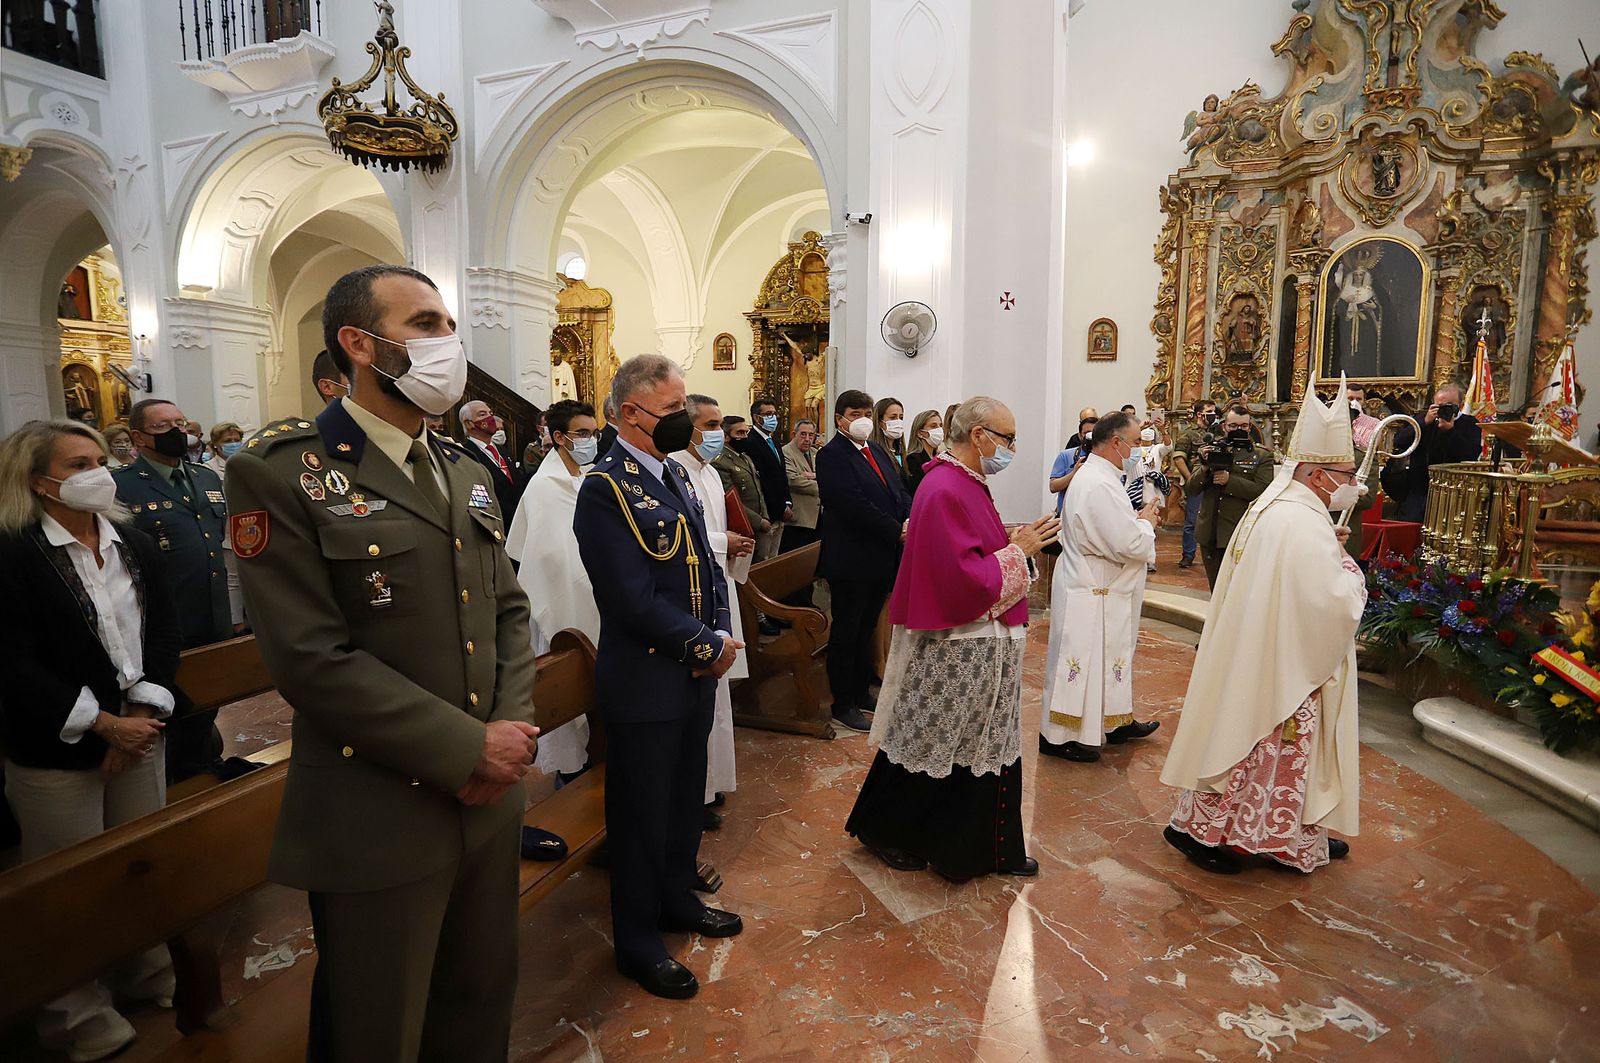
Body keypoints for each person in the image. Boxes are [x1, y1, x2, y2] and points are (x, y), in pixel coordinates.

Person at [224, 264, 540, 1060]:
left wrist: (506, 728)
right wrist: (468, 747)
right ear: (359, 344)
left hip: (487, 799)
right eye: (426, 324)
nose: (448, 343)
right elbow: (310, 658)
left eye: (448, 325)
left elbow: (507, 609)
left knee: (478, 1002)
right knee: (378, 1027)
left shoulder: (464, 470)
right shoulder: (281, 469)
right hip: (379, 807)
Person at [0, 419, 180, 1062]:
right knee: (66, 886)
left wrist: (138, 713)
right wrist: (103, 724)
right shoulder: (14, 553)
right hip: (54, 742)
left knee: (139, 866)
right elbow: (13, 661)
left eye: (100, 459)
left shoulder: (131, 541)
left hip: (140, 727)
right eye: (77, 464)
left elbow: (160, 630)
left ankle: (147, 972)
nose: (96, 473)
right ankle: (75, 1016)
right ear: (36, 480)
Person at [574, 354, 743, 1001]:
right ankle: (637, 939)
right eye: (671, 412)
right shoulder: (606, 487)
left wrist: (720, 634)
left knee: (682, 801)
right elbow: (628, 597)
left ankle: (677, 898)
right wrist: (703, 643)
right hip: (647, 680)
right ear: (629, 414)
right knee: (641, 814)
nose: (684, 421)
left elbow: (705, 563)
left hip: (694, 672)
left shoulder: (671, 472)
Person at [846, 396, 1057, 882]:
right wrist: (1019, 550)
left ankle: (980, 848)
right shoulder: (943, 487)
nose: (1011, 448)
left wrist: (1009, 542)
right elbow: (962, 580)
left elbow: (975, 549)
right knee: (932, 742)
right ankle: (890, 832)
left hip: (981, 643)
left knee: (969, 744)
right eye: (1007, 438)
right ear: (979, 435)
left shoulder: (965, 481)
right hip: (957, 644)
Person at [1161, 378, 1366, 874]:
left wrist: (1328, 544)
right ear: (1317, 475)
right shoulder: (1299, 521)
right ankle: (1237, 836)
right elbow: (1331, 603)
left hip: (1258, 653)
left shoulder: (1279, 507)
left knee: (1242, 737)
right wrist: (1349, 568)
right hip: (1284, 668)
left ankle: (1269, 831)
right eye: (1344, 473)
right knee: (1266, 744)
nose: (1351, 482)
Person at [506, 398, 605, 861]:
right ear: (559, 436)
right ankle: (573, 785)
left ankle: (595, 788)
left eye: (593, 432)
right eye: (582, 433)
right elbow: (545, 560)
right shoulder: (546, 487)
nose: (591, 440)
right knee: (571, 711)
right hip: (561, 615)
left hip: (596, 607)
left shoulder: (585, 477)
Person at [113, 398, 230, 781]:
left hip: (212, 615)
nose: (178, 432)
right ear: (138, 437)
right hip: (163, 625)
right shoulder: (121, 486)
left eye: (180, 423)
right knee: (170, 718)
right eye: (163, 427)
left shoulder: (206, 478)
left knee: (207, 707)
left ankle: (200, 776)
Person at [1040, 412, 1162, 763]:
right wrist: (1146, 524)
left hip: (1097, 583)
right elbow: (1127, 543)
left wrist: (1136, 522)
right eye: (1136, 442)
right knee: (1083, 661)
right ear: (1115, 442)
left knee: (1107, 657)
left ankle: (1114, 721)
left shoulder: (1102, 476)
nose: (1139, 450)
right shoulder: (1098, 482)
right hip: (1092, 587)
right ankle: (1061, 737)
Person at [674, 395, 755, 822]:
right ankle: (696, 791)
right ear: (688, 428)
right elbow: (685, 534)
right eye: (710, 425)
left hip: (718, 584)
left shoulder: (707, 470)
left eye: (721, 425)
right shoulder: (675, 470)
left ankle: (713, 783)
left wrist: (731, 540)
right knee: (702, 696)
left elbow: (715, 527)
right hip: (695, 588)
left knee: (719, 698)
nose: (718, 434)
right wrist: (726, 542)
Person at [817, 389, 913, 734]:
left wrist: (907, 518)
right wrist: (895, 530)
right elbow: (850, 503)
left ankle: (860, 692)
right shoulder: (831, 455)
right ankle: (842, 701)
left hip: (880, 556)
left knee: (867, 628)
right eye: (855, 412)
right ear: (840, 418)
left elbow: (897, 490)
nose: (862, 419)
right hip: (851, 558)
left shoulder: (875, 450)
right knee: (847, 631)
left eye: (866, 412)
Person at [1185, 404, 1275, 588]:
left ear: (1249, 427)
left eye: (1243, 426)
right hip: (1210, 530)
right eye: (1233, 426)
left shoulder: (1260, 455)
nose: (1238, 430)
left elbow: (1263, 491)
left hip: (1239, 531)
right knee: (1216, 587)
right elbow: (1191, 488)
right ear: (1225, 426)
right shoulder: (1212, 450)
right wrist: (1205, 467)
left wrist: (1229, 481)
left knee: (1238, 589)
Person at [1395, 383, 1481, 522]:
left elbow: (1470, 454)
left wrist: (1450, 431)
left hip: (1453, 492)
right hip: (1420, 490)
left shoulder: (1470, 424)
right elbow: (1399, 441)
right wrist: (1424, 422)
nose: (1443, 410)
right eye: (1439, 406)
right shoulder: (1423, 419)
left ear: (1460, 405)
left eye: (1449, 406)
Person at [458, 399, 527, 516]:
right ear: (469, 424)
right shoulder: (465, 454)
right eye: (482, 414)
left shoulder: (502, 450)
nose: (490, 418)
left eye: (490, 413)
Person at [1172, 399, 1218, 570]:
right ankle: (1188, 554)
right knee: (1192, 521)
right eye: (1210, 411)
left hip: (1216, 481)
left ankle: (1212, 554)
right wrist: (1191, 479)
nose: (1214, 415)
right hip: (1198, 482)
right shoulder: (1189, 434)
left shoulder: (1218, 433)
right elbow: (1179, 457)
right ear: (1200, 414)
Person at [745, 397, 792, 560]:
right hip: (767, 513)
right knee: (763, 561)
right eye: (768, 414)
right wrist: (778, 507)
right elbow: (762, 480)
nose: (773, 418)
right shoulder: (750, 442)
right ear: (757, 418)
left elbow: (781, 475)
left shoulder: (774, 440)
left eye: (774, 414)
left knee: (774, 560)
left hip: (781, 512)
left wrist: (787, 502)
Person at [781, 418, 821, 551]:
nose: (807, 438)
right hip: (798, 520)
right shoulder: (786, 452)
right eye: (803, 434)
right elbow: (793, 480)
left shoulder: (816, 453)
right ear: (794, 434)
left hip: (818, 518)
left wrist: (814, 476)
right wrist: (823, 485)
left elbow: (831, 476)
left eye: (811, 435)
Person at [1048, 414, 1098, 515]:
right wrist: (1074, 473)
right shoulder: (1065, 456)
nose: (1090, 437)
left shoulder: (1105, 458)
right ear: (1080, 435)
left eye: (1094, 433)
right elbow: (1053, 487)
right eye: (1086, 433)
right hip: (1066, 517)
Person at [904, 409, 943, 493]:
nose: (939, 429)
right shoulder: (913, 459)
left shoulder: (939, 457)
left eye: (940, 425)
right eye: (933, 426)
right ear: (920, 433)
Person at [870, 396, 908, 476]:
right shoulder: (874, 452)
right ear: (880, 422)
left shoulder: (900, 452)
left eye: (901, 417)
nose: (898, 421)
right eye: (893, 417)